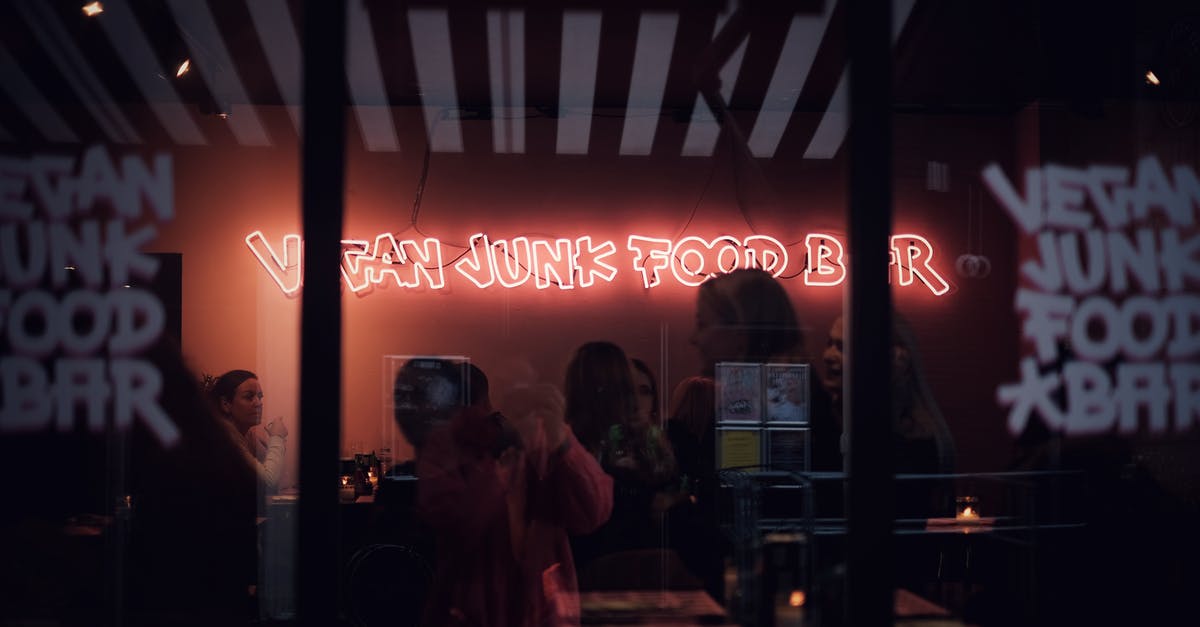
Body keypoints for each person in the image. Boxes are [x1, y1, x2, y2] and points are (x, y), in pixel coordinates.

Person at [407, 359, 611, 627]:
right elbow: (461, 525)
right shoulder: (446, 454)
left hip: (540, 611)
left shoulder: (540, 440)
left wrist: (561, 441)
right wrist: (503, 467)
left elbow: (591, 512)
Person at [691, 268, 841, 471]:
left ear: (740, 332)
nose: (694, 339)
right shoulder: (775, 390)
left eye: (702, 324)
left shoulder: (777, 398)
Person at [208, 370, 289, 492]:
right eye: (249, 397)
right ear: (225, 404)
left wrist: (275, 443)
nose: (259, 403)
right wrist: (277, 437)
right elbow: (269, 482)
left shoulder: (248, 434)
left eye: (259, 397)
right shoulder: (225, 437)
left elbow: (280, 480)